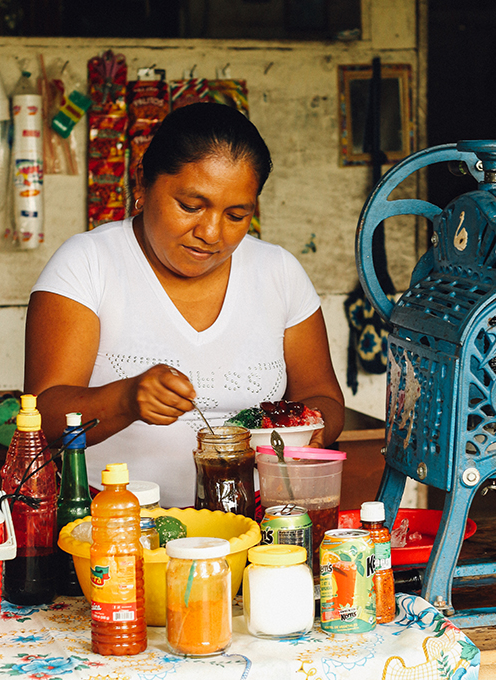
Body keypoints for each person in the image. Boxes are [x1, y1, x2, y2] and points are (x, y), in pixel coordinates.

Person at [25, 102, 344, 505]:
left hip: (255, 522)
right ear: (141, 183)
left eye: (236, 214)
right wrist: (124, 401)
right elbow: (42, 419)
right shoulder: (88, 264)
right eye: (191, 206)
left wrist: (309, 427)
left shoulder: (279, 272)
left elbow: (324, 399)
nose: (211, 232)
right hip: (115, 525)